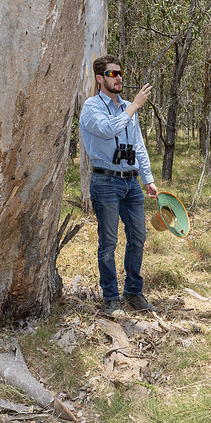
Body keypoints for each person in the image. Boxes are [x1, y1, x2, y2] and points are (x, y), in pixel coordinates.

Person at [79, 55, 159, 317]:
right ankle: (111, 297)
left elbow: (137, 145)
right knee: (109, 242)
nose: (119, 78)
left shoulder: (126, 108)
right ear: (100, 78)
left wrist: (147, 179)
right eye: (113, 74)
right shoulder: (92, 107)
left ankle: (134, 292)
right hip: (106, 181)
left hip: (131, 182)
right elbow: (106, 130)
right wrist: (134, 106)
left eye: (120, 73)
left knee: (138, 237)